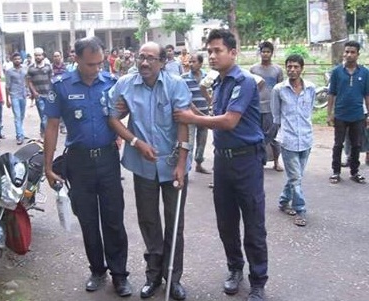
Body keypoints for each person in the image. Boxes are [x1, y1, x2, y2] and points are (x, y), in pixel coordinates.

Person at [173, 29, 267, 301]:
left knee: (253, 223)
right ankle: (235, 269)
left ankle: (258, 280)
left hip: (247, 161)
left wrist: (191, 118)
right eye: (210, 51)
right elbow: (216, 117)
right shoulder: (220, 82)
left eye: (218, 51)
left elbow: (228, 121)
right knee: (226, 222)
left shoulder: (244, 81)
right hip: (223, 162)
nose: (212, 56)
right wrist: (195, 111)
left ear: (233, 53)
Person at [43, 36, 131, 297]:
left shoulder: (111, 83)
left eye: (100, 63)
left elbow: (123, 113)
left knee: (113, 219)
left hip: (107, 160)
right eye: (91, 64)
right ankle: (97, 270)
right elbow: (51, 126)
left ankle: (120, 275)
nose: (96, 69)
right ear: (76, 59)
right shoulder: (61, 86)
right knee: (89, 220)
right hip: (78, 162)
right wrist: (48, 167)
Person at [108, 41, 192, 300]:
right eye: (140, 57)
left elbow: (183, 124)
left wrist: (180, 164)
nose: (144, 63)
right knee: (148, 221)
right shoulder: (125, 84)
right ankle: (153, 275)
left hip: (172, 165)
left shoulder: (176, 84)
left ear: (162, 62)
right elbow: (112, 117)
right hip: (142, 166)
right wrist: (135, 142)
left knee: (174, 224)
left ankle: (173, 278)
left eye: (150, 58)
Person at [271, 54, 316, 227]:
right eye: (289, 66)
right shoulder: (279, 90)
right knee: (296, 177)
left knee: (295, 176)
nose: (292, 70)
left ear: (302, 68)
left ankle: (283, 201)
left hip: (306, 138)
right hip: (288, 140)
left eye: (296, 67)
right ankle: (300, 210)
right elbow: (276, 116)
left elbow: (309, 111)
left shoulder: (311, 88)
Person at [327, 40, 369, 184]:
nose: (348, 55)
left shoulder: (364, 72)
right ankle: (336, 172)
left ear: (358, 54)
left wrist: (368, 115)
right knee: (338, 144)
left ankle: (354, 172)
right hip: (340, 114)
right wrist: (329, 114)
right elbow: (331, 94)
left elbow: (367, 95)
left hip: (357, 115)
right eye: (346, 52)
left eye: (352, 52)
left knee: (356, 144)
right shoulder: (337, 72)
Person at [250, 41, 284, 172]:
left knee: (273, 136)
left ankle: (276, 162)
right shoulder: (254, 69)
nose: (265, 54)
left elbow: (281, 89)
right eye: (263, 51)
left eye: (268, 52)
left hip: (272, 108)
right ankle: (258, 161)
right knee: (256, 135)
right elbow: (250, 87)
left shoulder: (277, 70)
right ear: (260, 53)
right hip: (256, 107)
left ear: (272, 53)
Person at [181, 53, 211, 174]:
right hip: (191, 115)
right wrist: (200, 115)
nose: (191, 64)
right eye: (190, 62)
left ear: (200, 63)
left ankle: (199, 163)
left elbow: (211, 95)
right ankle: (186, 168)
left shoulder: (207, 77)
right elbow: (186, 100)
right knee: (189, 142)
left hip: (204, 113)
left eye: (194, 62)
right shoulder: (184, 78)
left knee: (202, 141)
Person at [27, 47, 53, 139]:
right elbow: (29, 81)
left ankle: (43, 132)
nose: (38, 57)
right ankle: (48, 137)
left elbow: (51, 79)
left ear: (43, 56)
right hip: (39, 96)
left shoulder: (48, 67)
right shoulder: (31, 68)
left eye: (39, 55)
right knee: (44, 116)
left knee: (47, 116)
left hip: (48, 95)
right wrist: (34, 92)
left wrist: (52, 91)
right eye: (36, 55)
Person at [5, 52, 28, 145]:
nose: (17, 60)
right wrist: (7, 99)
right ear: (12, 60)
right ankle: (19, 136)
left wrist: (28, 91)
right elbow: (7, 86)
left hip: (23, 95)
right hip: (14, 95)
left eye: (19, 59)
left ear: (21, 60)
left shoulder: (25, 69)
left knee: (22, 116)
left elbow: (27, 80)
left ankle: (21, 132)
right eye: (15, 59)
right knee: (17, 116)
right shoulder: (9, 71)